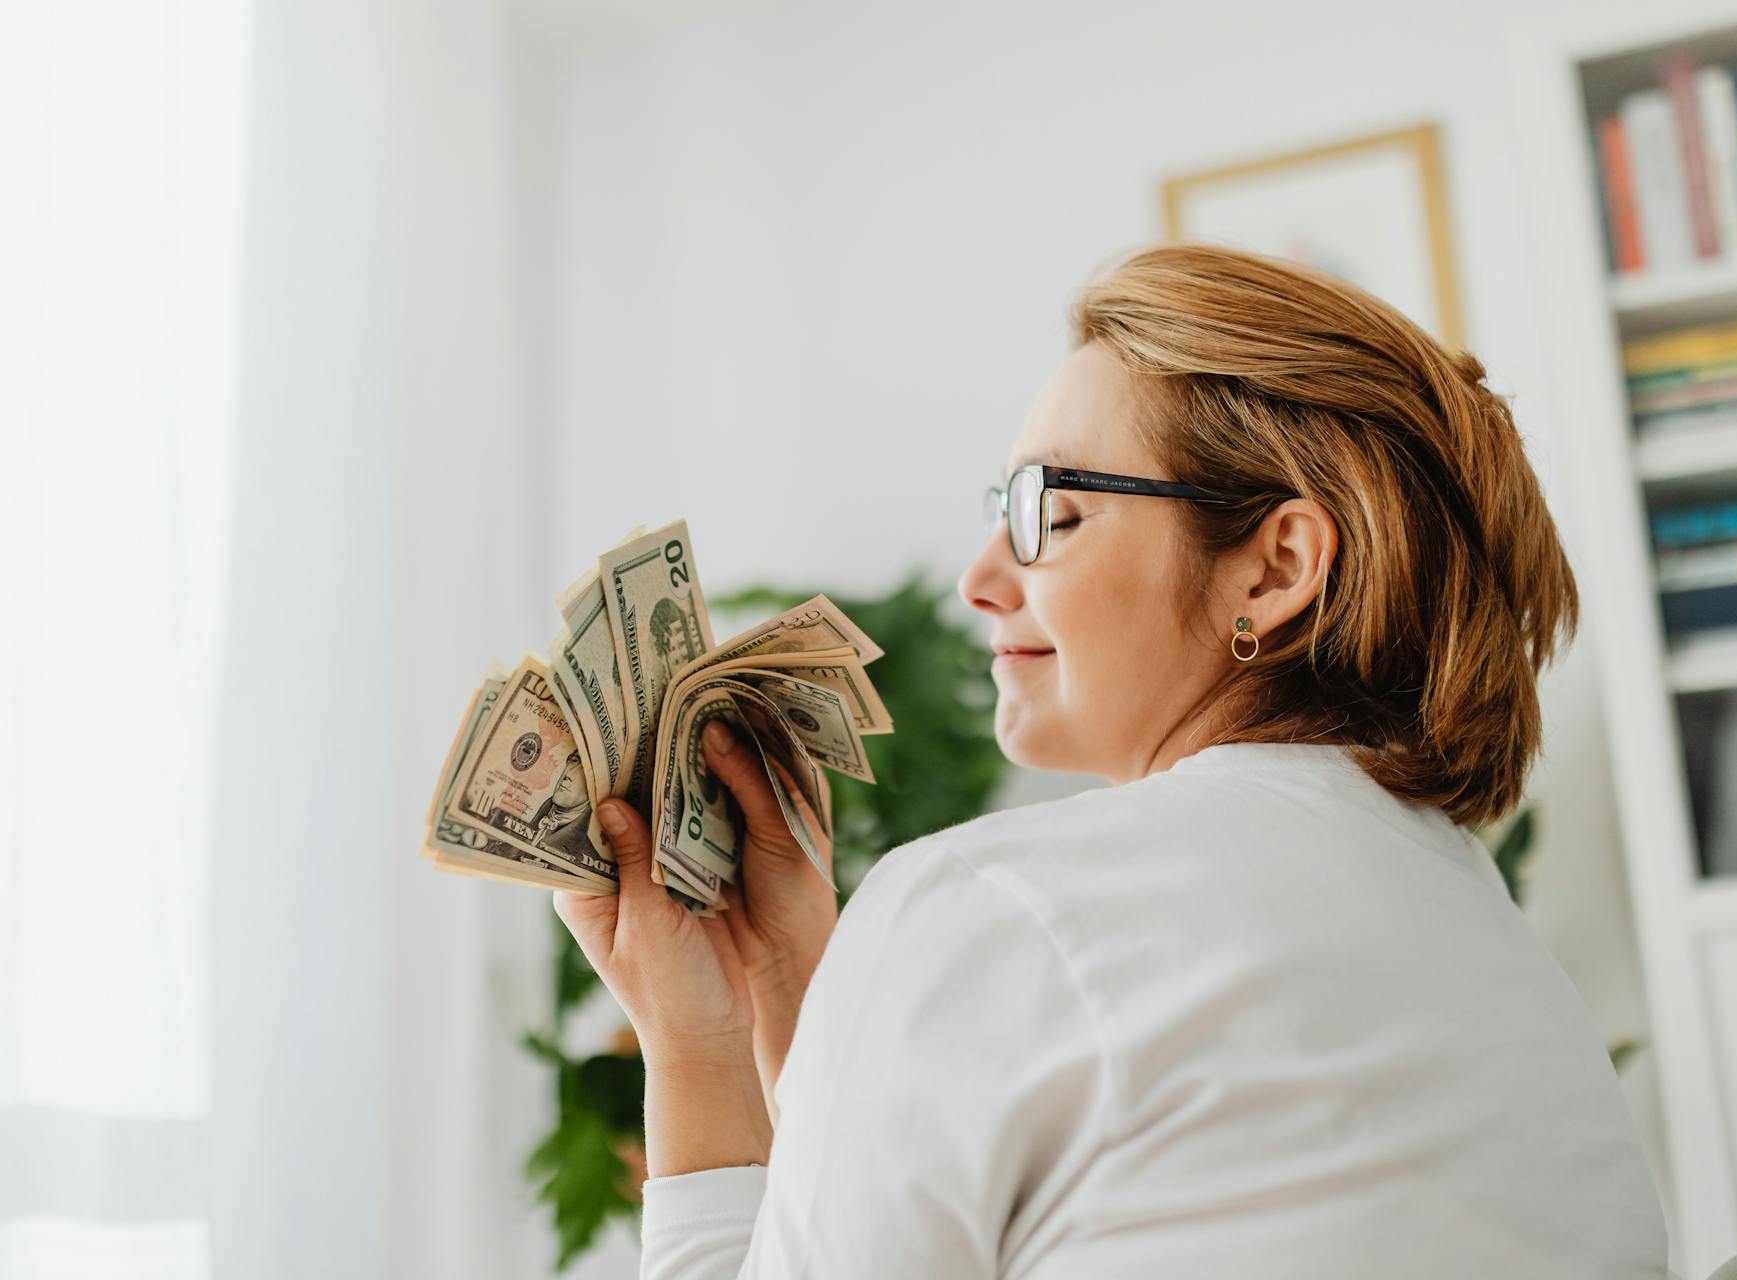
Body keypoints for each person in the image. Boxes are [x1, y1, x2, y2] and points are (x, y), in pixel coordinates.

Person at [555, 242, 1672, 1278]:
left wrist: (692, 1044)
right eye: (1004, 508)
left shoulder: (990, 903)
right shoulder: (1486, 937)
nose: (983, 576)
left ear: (1274, 567)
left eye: (1053, 509)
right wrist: (798, 982)